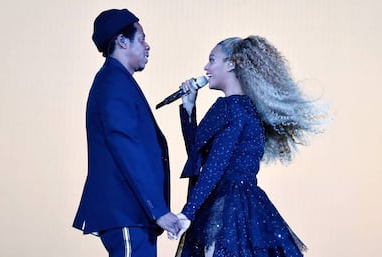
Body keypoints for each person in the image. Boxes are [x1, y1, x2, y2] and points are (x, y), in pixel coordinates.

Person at [173, 36, 329, 257]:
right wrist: (188, 109)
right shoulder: (245, 109)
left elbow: (213, 167)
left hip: (227, 207)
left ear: (231, 64)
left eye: (212, 59)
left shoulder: (233, 109)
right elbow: (199, 157)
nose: (206, 67)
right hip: (241, 205)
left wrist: (187, 213)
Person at [72, 8, 179, 257]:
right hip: (126, 211)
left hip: (133, 215)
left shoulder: (117, 81)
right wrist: (158, 209)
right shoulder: (113, 82)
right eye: (141, 39)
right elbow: (126, 147)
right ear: (122, 41)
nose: (147, 46)